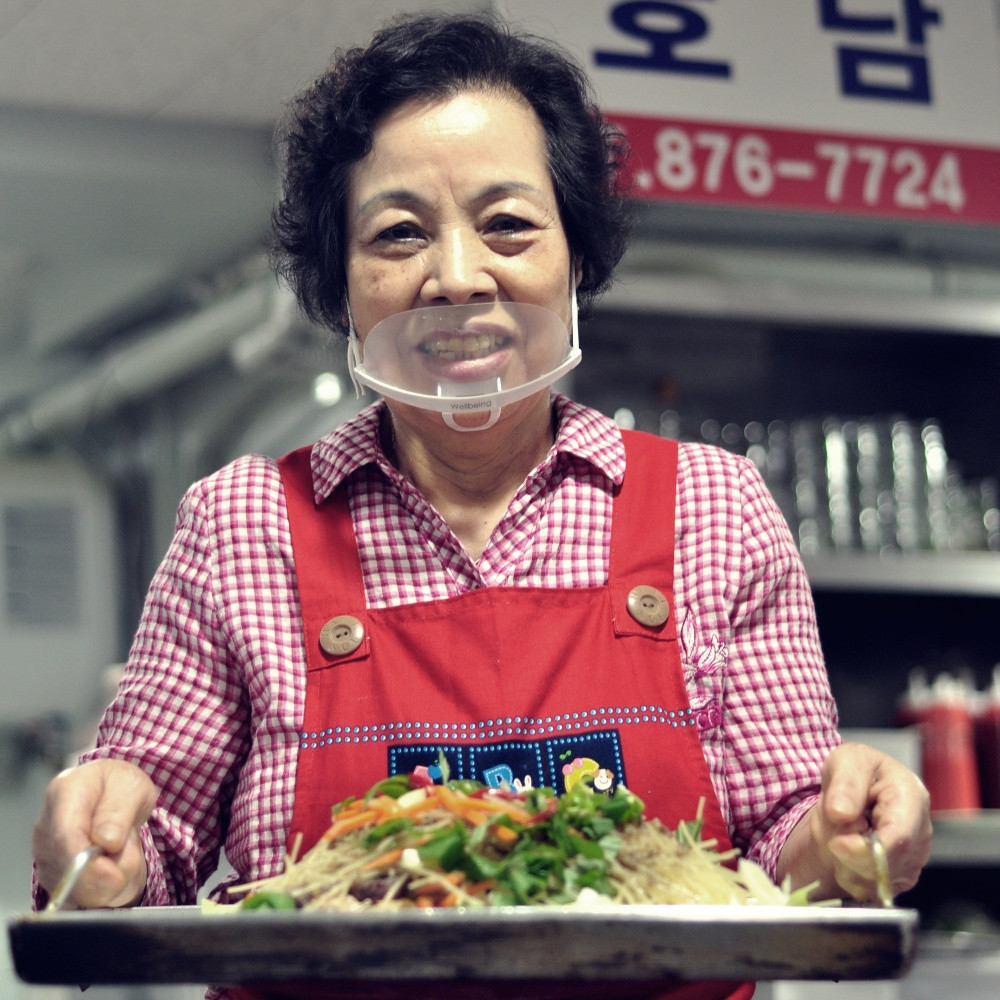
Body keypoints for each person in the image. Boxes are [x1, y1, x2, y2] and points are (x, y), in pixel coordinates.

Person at [32, 11, 932, 1000]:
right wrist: (101, 844)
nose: (457, 278)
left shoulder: (709, 508)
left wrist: (853, 832)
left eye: (507, 224)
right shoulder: (241, 522)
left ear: (574, 255)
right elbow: (145, 845)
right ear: (342, 285)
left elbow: (787, 844)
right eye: (398, 233)